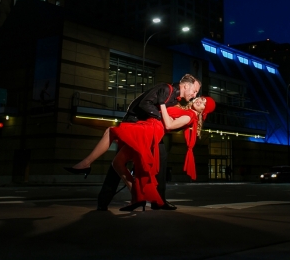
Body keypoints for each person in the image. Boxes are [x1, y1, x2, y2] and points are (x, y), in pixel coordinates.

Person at [65, 74, 201, 211]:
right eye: (194, 91)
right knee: (118, 162)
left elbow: (171, 120)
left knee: (160, 157)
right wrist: (163, 118)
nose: (195, 95)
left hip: (149, 127)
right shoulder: (166, 89)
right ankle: (106, 201)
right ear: (185, 86)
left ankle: (156, 201)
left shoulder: (175, 100)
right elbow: (144, 104)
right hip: (135, 122)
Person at [159, 96, 216, 180]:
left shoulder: (190, 115)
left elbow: (169, 125)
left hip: (152, 130)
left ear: (203, 111)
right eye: (202, 99)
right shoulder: (187, 112)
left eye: (204, 104)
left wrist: (162, 104)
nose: (200, 102)